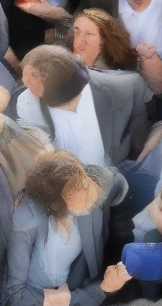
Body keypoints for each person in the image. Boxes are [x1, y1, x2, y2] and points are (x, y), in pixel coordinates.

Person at [5, 151, 133, 306]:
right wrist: (99, 290)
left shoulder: (88, 188)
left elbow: (114, 182)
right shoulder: (27, 218)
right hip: (36, 294)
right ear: (56, 201)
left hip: (76, 285)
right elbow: (15, 295)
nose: (90, 204)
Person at [15, 44, 148, 169]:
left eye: (33, 76)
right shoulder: (27, 102)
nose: (25, 82)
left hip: (113, 174)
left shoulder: (125, 87)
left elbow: (139, 136)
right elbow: (33, 149)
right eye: (25, 74)